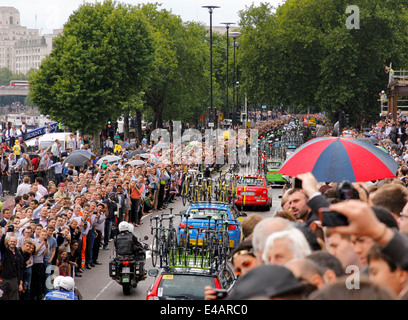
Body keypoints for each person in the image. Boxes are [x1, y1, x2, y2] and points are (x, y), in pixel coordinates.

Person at [0, 229, 24, 300]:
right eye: (11, 241)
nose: (12, 243)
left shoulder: (19, 254)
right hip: (4, 278)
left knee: (14, 297)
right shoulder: (5, 251)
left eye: (14, 242)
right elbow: (1, 244)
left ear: (16, 243)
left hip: (14, 279)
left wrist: (20, 282)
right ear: (8, 242)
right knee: (2, 297)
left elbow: (20, 268)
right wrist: (4, 233)